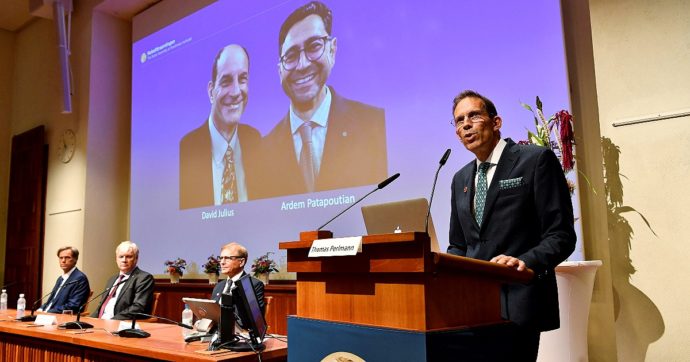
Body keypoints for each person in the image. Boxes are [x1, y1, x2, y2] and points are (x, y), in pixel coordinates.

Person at [447, 90, 576, 360]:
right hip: (474, 308)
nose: (466, 124)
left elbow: (561, 235)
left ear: (496, 122)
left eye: (474, 115)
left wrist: (524, 262)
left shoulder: (535, 160)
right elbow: (459, 245)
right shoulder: (460, 180)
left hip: (519, 301)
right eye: (459, 121)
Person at [263, 1, 387, 197]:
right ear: (279, 70)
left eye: (314, 46)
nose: (302, 64)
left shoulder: (375, 124)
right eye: (291, 56)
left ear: (332, 49)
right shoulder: (264, 148)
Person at [179, 44, 264, 209]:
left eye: (242, 79)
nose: (236, 92)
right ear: (211, 91)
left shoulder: (256, 140)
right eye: (226, 81)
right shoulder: (187, 149)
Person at [91, 241, 154, 320]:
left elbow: (138, 307)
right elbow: (101, 307)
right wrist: (89, 321)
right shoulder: (112, 279)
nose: (124, 260)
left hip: (121, 324)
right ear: (116, 259)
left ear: (136, 258)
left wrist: (112, 321)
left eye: (129, 256)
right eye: (121, 257)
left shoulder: (144, 278)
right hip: (101, 322)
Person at [211, 242, 265, 315]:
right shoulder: (219, 286)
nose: (222, 262)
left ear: (241, 262)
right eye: (221, 258)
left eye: (227, 258)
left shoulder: (252, 285)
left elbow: (254, 317)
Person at [38, 246, 90, 314]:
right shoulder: (60, 278)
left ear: (75, 259)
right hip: (48, 314)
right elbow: (51, 301)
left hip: (61, 317)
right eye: (61, 258)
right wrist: (40, 309)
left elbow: (73, 306)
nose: (63, 261)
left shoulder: (80, 278)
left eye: (67, 257)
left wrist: (47, 312)